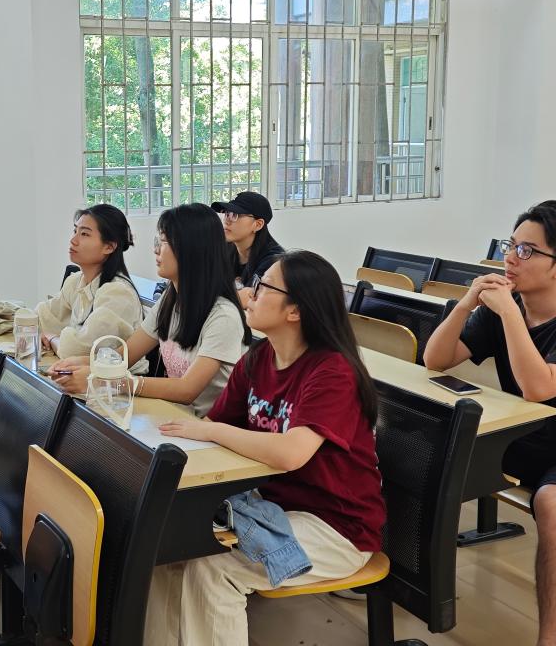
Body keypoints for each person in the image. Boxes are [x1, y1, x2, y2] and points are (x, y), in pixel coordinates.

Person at [146, 251, 385, 645]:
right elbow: (214, 427)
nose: (249, 293)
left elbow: (291, 452)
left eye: (263, 286)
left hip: (336, 527)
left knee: (213, 569)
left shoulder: (332, 371)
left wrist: (213, 432)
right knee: (167, 548)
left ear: (295, 311)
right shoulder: (260, 357)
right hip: (272, 505)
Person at [424, 200, 556, 646]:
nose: (511, 257)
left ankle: (549, 642)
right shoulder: (502, 308)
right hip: (529, 436)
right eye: (511, 245)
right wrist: (466, 304)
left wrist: (509, 314)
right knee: (426, 450)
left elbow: (538, 387)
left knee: (555, 503)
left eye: (527, 250)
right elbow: (436, 359)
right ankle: (400, 579)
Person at [51, 203, 250, 417]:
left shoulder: (223, 316)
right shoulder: (170, 299)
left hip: (210, 427)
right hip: (176, 416)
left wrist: (110, 382)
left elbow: (187, 390)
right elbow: (125, 356)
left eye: (163, 242)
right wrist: (76, 364)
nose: (156, 250)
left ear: (191, 249)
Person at [36, 205, 145, 373]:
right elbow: (41, 318)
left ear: (109, 247)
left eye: (85, 234)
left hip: (118, 384)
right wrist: (47, 333)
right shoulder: (75, 281)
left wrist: (52, 338)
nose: (73, 240)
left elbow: (76, 351)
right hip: (86, 378)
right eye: (75, 231)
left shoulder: (118, 293)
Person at [211, 191, 284, 308]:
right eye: (227, 213)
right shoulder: (225, 248)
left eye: (235, 215)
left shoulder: (274, 260)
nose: (226, 220)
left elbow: (248, 298)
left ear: (258, 224)